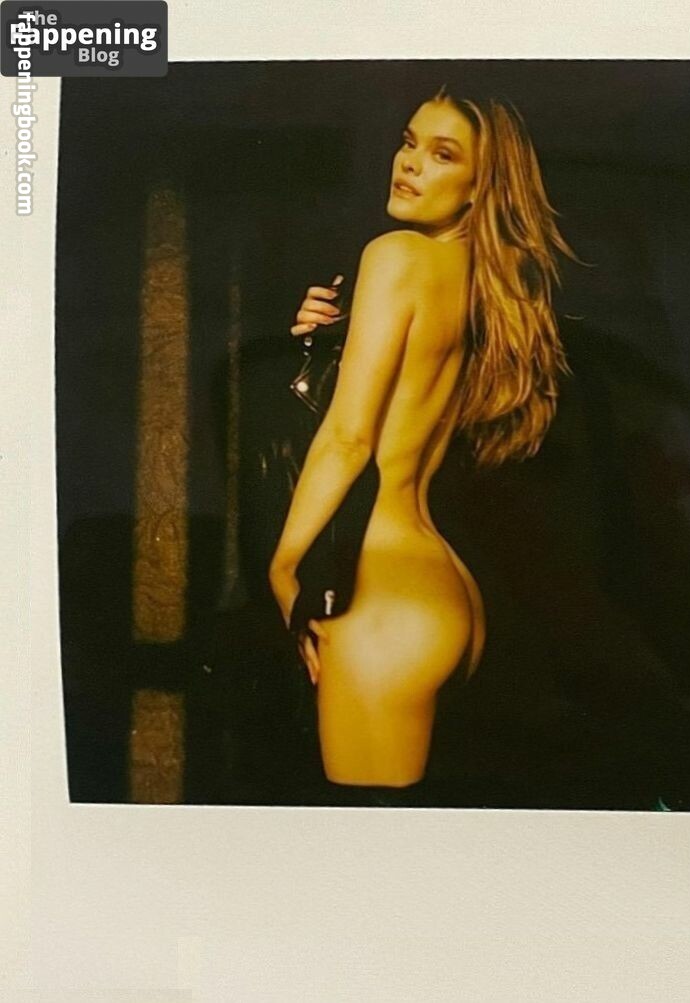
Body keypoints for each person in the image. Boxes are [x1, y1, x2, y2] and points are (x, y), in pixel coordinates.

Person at [269, 85, 579, 790]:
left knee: (368, 845)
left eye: (442, 155)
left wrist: (284, 568)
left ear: (479, 187)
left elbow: (349, 438)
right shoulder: (477, 282)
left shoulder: (395, 256)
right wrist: (323, 346)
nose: (408, 163)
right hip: (442, 582)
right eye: (408, 142)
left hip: (380, 596)